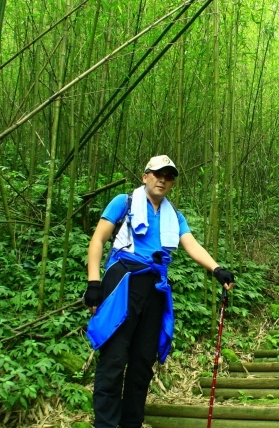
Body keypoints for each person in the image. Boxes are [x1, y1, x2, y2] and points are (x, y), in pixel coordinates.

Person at [83, 154, 235, 428]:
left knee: (142, 363)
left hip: (154, 287)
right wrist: (94, 283)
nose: (162, 180)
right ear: (145, 176)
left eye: (168, 176)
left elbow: (191, 245)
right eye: (157, 174)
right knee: (114, 358)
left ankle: (131, 423)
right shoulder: (124, 202)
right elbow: (98, 239)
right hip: (122, 283)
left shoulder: (174, 216)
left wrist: (217, 269)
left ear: (172, 183)